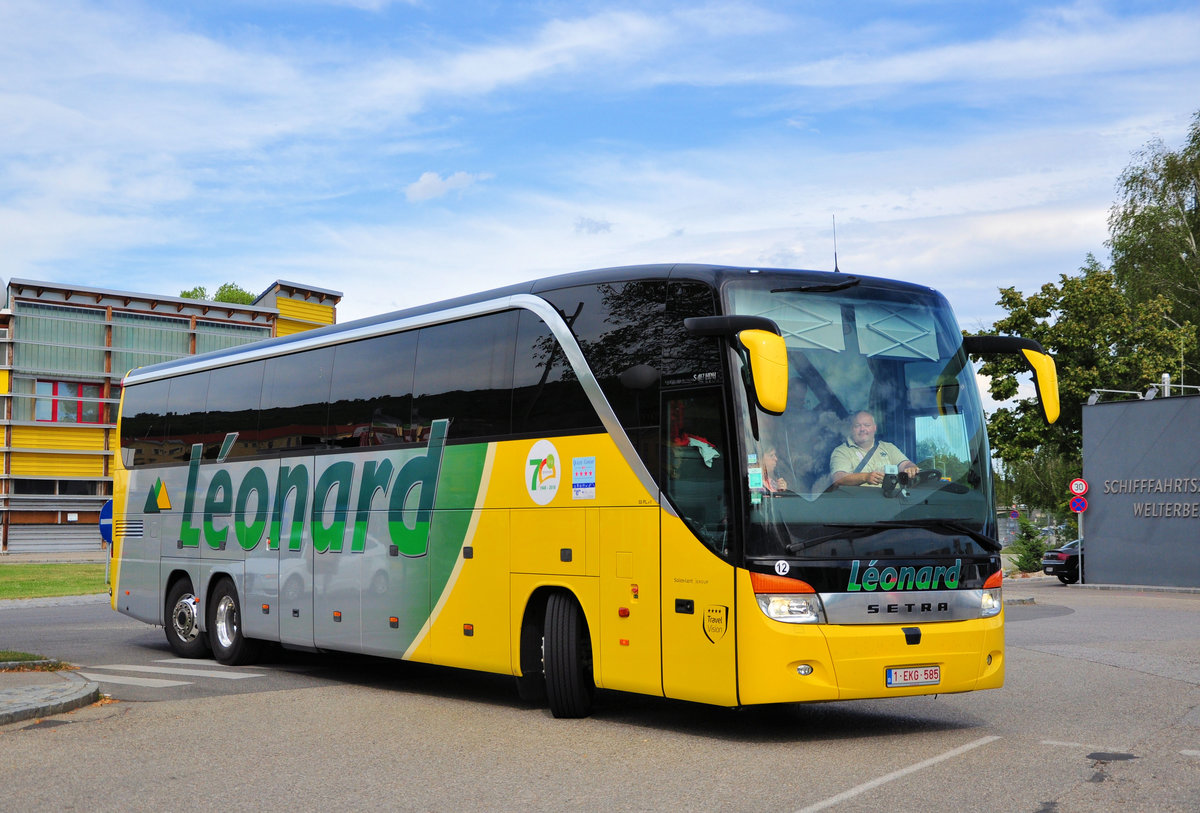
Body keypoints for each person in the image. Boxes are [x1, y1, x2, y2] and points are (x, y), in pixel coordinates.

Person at [830, 410, 918, 487]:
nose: (862, 429)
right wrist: (865, 477)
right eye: (857, 426)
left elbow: (905, 464)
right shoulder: (841, 451)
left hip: (892, 502)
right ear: (852, 429)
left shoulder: (888, 448)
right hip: (859, 503)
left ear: (874, 428)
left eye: (867, 425)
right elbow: (838, 478)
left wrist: (911, 468)